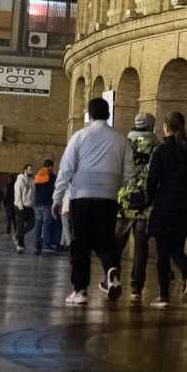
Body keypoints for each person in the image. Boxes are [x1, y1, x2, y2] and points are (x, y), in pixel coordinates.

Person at [52, 96, 130, 306]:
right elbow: (129, 173)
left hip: (82, 197)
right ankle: (111, 270)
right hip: (109, 198)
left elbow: (66, 169)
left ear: (90, 114)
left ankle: (80, 291)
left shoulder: (80, 136)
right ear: (108, 114)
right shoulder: (121, 139)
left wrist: (57, 197)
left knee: (81, 243)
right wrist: (115, 187)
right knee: (105, 240)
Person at [143, 112, 187, 307]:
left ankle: (163, 296)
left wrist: (149, 200)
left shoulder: (161, 150)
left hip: (165, 205)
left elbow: (152, 180)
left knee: (162, 253)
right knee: (177, 248)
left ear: (166, 127)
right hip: (184, 206)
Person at [115, 111, 157, 298]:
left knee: (117, 244)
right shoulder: (157, 145)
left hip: (124, 202)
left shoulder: (124, 143)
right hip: (146, 204)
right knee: (141, 246)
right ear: (150, 126)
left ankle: (113, 279)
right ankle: (136, 287)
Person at [32, 160, 58, 252]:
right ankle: (45, 245)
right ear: (50, 166)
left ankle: (36, 244)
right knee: (46, 223)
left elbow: (34, 188)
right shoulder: (52, 177)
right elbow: (56, 188)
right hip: (47, 203)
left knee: (38, 224)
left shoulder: (38, 175)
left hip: (38, 203)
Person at [10, 163, 36, 252]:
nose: (31, 171)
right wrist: (20, 206)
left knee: (32, 223)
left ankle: (17, 236)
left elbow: (33, 194)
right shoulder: (20, 180)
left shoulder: (32, 180)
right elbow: (18, 193)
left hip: (29, 206)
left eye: (32, 170)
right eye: (30, 170)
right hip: (20, 206)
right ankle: (20, 245)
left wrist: (32, 204)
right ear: (25, 170)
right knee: (20, 226)